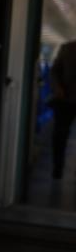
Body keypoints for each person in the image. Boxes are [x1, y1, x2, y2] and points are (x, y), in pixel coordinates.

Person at [49, 39, 76, 179]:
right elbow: (54, 71)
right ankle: (57, 168)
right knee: (60, 135)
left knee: (60, 134)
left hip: (66, 99)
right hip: (65, 99)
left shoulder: (67, 48)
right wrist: (57, 88)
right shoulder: (67, 48)